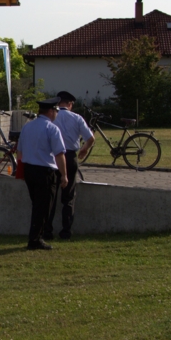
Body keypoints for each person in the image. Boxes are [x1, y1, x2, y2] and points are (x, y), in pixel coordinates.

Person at [16, 96, 68, 250]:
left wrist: (21, 171)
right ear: (51, 111)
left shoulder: (27, 127)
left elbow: (20, 151)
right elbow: (59, 154)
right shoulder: (52, 129)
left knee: (37, 205)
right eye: (56, 110)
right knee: (44, 207)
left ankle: (36, 237)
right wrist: (64, 175)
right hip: (45, 172)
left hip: (29, 170)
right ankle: (35, 239)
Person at [50, 91, 95, 240]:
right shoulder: (77, 118)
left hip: (53, 158)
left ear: (58, 102)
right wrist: (84, 149)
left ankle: (47, 230)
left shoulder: (52, 116)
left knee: (51, 195)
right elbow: (90, 138)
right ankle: (66, 231)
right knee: (68, 197)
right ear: (70, 104)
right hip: (69, 157)